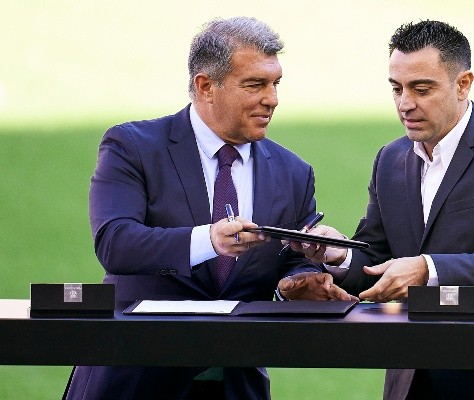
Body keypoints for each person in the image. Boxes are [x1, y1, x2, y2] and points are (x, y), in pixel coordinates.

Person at [64, 16, 350, 400]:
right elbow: (116, 244)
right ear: (205, 86)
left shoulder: (293, 172)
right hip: (136, 379)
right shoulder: (132, 146)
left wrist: (296, 282)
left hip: (236, 384)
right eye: (255, 85)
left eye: (275, 83)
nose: (272, 98)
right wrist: (208, 240)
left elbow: (289, 263)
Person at [279, 20, 474, 399]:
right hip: (410, 378)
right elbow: (377, 256)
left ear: (463, 84)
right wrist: (339, 253)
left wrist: (425, 268)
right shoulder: (390, 159)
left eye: (421, 89)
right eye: (396, 89)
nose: (405, 103)